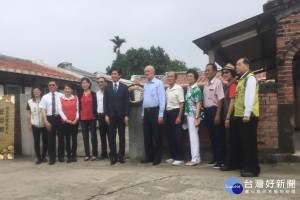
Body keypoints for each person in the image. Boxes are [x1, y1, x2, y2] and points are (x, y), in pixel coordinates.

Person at [234, 58, 260, 177]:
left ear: (247, 66)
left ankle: (253, 169)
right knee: (245, 143)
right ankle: (247, 165)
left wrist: (247, 114)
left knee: (250, 144)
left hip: (248, 116)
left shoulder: (250, 78)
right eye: (236, 65)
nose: (237, 66)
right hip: (241, 115)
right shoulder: (241, 79)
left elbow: (250, 97)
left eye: (239, 64)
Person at [140, 65, 165, 165]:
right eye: (145, 71)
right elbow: (144, 100)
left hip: (155, 111)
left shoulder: (159, 83)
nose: (146, 73)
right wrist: (142, 113)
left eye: (148, 71)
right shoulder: (145, 84)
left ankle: (157, 157)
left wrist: (161, 114)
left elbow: (162, 99)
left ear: (153, 72)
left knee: (157, 135)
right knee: (147, 136)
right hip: (146, 112)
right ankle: (149, 156)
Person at [104, 68, 129, 165]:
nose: (113, 75)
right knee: (111, 137)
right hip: (111, 115)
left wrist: (126, 115)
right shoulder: (107, 87)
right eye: (112, 74)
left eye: (115, 74)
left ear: (119, 75)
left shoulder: (124, 87)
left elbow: (127, 102)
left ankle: (121, 156)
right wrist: (106, 115)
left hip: (121, 115)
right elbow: (105, 102)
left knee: (122, 136)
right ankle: (113, 156)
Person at [218, 64, 242, 171]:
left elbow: (232, 101)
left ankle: (231, 164)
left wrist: (227, 118)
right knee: (234, 141)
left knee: (233, 141)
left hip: (232, 117)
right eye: (223, 73)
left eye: (227, 72)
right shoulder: (228, 84)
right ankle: (236, 163)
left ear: (232, 73)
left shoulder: (233, 84)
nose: (224, 74)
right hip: (231, 117)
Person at [203, 63, 226, 169]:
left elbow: (220, 99)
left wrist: (217, 114)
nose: (206, 72)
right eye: (205, 70)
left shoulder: (218, 83)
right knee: (212, 136)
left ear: (215, 71)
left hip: (215, 111)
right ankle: (215, 158)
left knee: (219, 136)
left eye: (208, 70)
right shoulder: (206, 84)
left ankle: (221, 160)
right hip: (208, 112)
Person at [40, 80, 64, 165]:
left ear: (57, 86)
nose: (51, 86)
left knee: (61, 138)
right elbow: (43, 109)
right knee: (50, 139)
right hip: (50, 118)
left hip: (60, 118)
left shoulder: (62, 96)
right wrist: (46, 121)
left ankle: (61, 156)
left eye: (53, 85)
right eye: (49, 85)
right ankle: (52, 158)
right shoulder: (45, 97)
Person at [165, 71, 185, 166]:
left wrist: (179, 116)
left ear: (175, 78)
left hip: (176, 113)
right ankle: (173, 156)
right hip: (168, 113)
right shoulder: (167, 89)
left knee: (177, 136)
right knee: (170, 136)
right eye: (168, 77)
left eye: (171, 77)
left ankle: (179, 157)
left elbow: (181, 103)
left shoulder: (179, 88)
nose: (169, 78)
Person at [183, 69, 202, 166]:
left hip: (194, 115)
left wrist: (196, 118)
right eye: (188, 76)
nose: (189, 78)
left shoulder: (196, 89)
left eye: (191, 76)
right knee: (192, 137)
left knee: (194, 137)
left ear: (195, 78)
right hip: (189, 115)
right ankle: (195, 157)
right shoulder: (189, 88)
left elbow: (198, 103)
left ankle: (195, 159)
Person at [57, 83, 79, 163]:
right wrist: (66, 120)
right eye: (66, 88)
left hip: (74, 122)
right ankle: (68, 156)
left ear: (72, 90)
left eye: (69, 89)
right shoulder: (60, 99)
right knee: (67, 140)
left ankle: (74, 155)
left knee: (74, 139)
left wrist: (76, 119)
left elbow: (77, 109)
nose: (67, 90)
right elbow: (60, 111)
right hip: (65, 122)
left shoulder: (75, 98)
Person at [78, 77, 98, 161]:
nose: (84, 84)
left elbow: (96, 105)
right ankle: (87, 154)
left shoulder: (93, 94)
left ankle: (94, 153)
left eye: (85, 83)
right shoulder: (79, 94)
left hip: (92, 117)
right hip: (83, 118)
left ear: (89, 84)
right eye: (82, 83)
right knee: (85, 136)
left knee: (93, 136)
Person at [26, 85, 48, 165]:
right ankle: (38, 158)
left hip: (44, 124)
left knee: (45, 141)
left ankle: (44, 156)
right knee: (36, 142)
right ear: (33, 92)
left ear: (41, 92)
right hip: (35, 125)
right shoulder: (30, 102)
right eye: (34, 90)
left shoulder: (44, 100)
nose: (36, 92)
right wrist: (29, 124)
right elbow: (28, 114)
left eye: (38, 90)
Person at [96, 77, 109, 160]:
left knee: (111, 135)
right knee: (102, 135)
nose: (100, 83)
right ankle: (104, 153)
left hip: (108, 116)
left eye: (101, 82)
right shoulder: (97, 93)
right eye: (98, 82)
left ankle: (112, 153)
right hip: (100, 116)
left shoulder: (109, 93)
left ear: (105, 83)